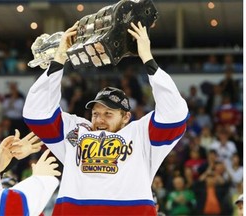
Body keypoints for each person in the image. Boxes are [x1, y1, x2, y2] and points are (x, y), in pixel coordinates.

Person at [23, 21, 188, 215]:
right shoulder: (75, 132)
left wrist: (147, 58)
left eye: (108, 114)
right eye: (96, 113)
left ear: (126, 116)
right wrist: (59, 59)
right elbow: (36, 113)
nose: (100, 119)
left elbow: (175, 114)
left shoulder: (143, 135)